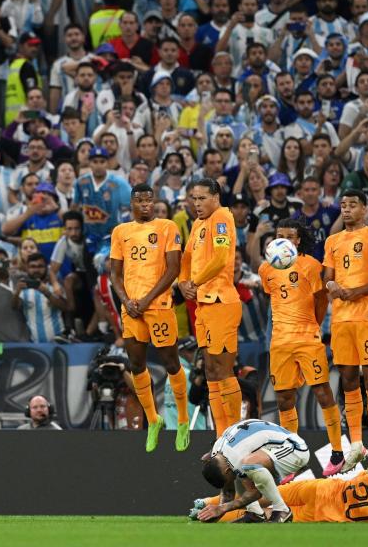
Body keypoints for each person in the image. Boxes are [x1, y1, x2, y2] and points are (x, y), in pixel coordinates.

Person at [109, 183, 189, 452]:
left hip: (159, 306)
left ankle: (182, 420)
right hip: (131, 308)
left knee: (170, 361)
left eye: (149, 200)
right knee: (135, 363)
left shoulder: (167, 227)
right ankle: (153, 420)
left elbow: (173, 269)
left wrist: (145, 300)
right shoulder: (121, 231)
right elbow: (114, 274)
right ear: (131, 203)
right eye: (140, 201)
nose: (145, 205)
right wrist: (126, 301)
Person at [260, 218, 343, 475]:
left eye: (290, 236)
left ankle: (337, 451)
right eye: (279, 235)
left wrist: (313, 326)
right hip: (280, 342)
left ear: (298, 240)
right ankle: (292, 456)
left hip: (308, 338)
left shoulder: (311, 265)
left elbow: (321, 300)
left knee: (321, 391)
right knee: (284, 398)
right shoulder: (266, 269)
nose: (283, 239)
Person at [322, 189, 368, 472]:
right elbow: (328, 276)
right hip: (340, 320)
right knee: (348, 380)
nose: (346, 210)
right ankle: (356, 445)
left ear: (364, 208)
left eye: (352, 205)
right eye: (343, 205)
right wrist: (333, 287)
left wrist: (352, 292)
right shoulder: (333, 240)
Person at [178, 179, 243, 437]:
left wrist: (193, 281)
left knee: (224, 369)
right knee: (210, 370)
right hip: (203, 303)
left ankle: (237, 433)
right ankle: (221, 435)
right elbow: (185, 257)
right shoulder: (198, 224)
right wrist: (183, 282)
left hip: (221, 301)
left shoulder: (221, 218)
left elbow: (219, 259)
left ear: (216, 197)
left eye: (202, 198)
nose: (197, 204)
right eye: (194, 198)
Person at [191, 464, 368, 523]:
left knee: (264, 494)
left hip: (319, 489)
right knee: (265, 515)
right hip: (321, 514)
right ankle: (207, 515)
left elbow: (357, 478)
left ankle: (206, 502)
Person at [197, 419, 311, 523]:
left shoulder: (236, 457)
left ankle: (282, 510)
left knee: (248, 465)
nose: (229, 486)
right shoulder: (217, 452)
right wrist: (217, 512)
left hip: (296, 449)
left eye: (227, 481)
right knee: (241, 472)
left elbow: (255, 494)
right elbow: (227, 489)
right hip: (276, 445)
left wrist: (222, 508)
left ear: (226, 471)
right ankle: (255, 514)